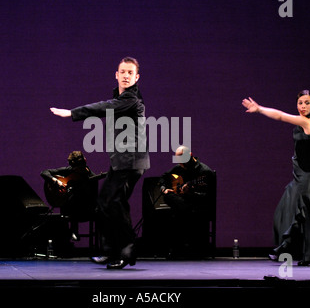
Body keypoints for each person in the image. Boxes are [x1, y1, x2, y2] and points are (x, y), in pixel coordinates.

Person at [50, 57, 150, 269]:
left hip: (130, 161)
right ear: (116, 74)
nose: (125, 76)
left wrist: (72, 113)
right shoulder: (121, 99)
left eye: (130, 73)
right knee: (109, 203)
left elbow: (104, 107)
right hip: (122, 161)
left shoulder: (131, 100)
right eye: (122, 71)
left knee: (112, 202)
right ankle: (115, 250)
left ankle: (126, 249)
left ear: (136, 77)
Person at [242, 90, 310, 265]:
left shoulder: (306, 122)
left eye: (307, 103)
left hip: (307, 177)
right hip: (302, 174)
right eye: (300, 103)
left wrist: (259, 109)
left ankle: (303, 254)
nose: (303, 107)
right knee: (288, 211)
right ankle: (288, 250)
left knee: (303, 214)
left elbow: (280, 116)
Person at [159, 146, 215, 258]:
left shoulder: (205, 172)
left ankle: (178, 249)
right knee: (168, 196)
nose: (180, 164)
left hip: (197, 204)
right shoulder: (179, 168)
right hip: (183, 204)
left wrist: (189, 193)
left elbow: (208, 197)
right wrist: (164, 188)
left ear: (190, 156)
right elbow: (163, 177)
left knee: (177, 214)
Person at [41, 151, 99, 240]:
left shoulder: (92, 177)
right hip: (68, 208)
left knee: (76, 198)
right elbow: (44, 172)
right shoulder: (69, 170)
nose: (78, 171)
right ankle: (66, 237)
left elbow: (93, 199)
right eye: (76, 170)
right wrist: (56, 181)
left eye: (80, 169)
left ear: (85, 161)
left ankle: (72, 231)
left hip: (85, 210)